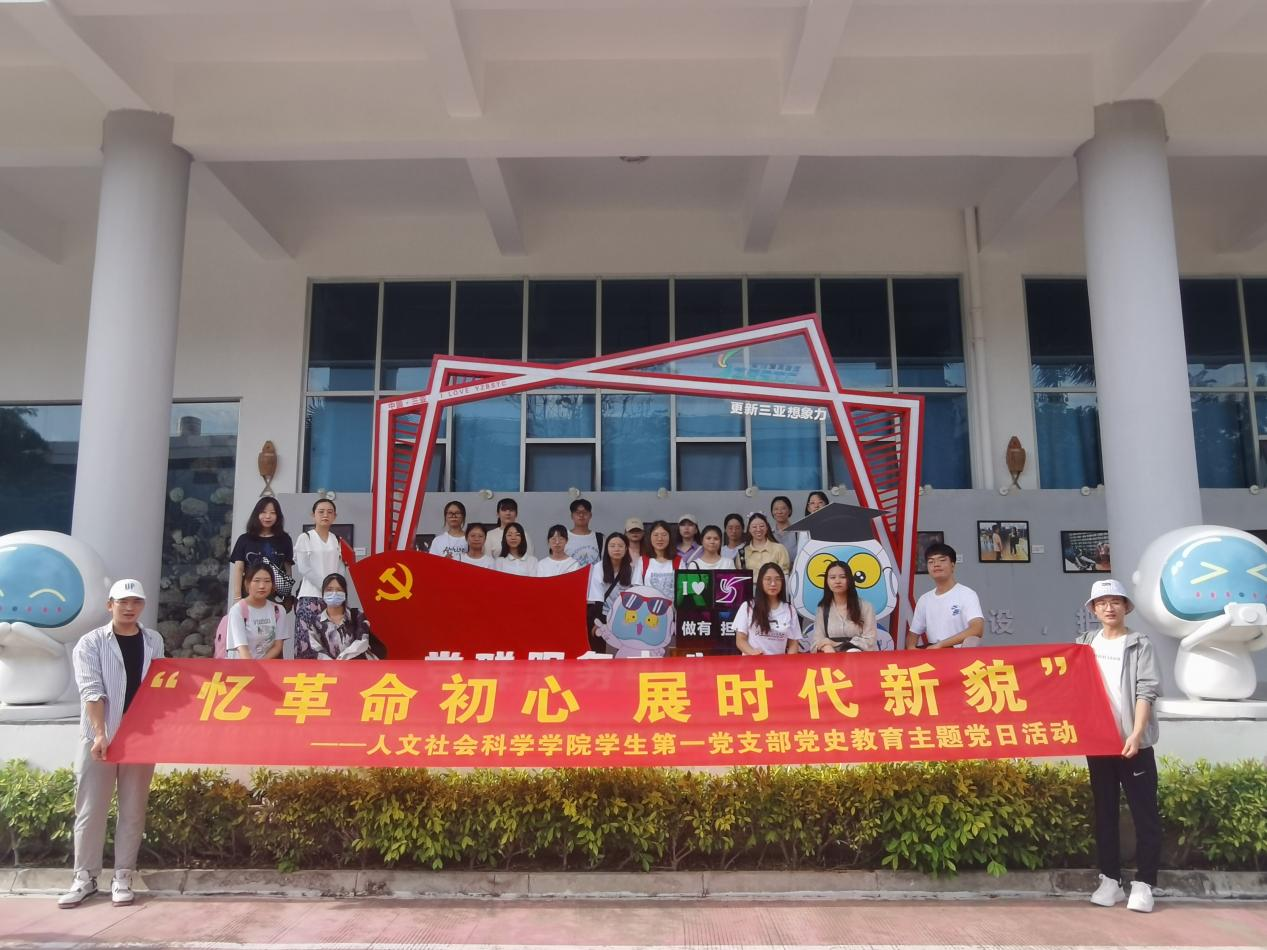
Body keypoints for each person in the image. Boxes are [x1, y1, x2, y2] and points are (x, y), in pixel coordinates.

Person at [59, 579, 165, 909]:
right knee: (91, 809)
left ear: (142, 606)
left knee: (133, 810)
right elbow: (91, 690)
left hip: (141, 738)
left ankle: (123, 875)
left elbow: (160, 686)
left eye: (136, 602)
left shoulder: (153, 640)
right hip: (99, 738)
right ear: (110, 605)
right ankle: (85, 877)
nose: (129, 608)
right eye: (122, 602)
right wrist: (100, 733)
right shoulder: (90, 643)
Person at [1078, 578, 1162, 914]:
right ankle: (1110, 880)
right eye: (1102, 603)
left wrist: (1136, 733)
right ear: (1093, 610)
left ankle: (1144, 883)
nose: (1109, 608)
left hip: (1133, 744)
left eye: (1115, 601)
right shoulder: (1084, 645)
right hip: (1100, 744)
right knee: (1105, 812)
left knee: (1145, 814)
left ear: (1126, 606)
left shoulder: (1140, 644)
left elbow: (1146, 691)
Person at [905, 542, 984, 649]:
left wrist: (941, 645)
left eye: (942, 560)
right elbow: (913, 635)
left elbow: (977, 629)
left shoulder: (967, 594)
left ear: (953, 565)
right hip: (934, 655)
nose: (936, 564)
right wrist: (912, 648)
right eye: (931, 561)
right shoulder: (924, 599)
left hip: (961, 654)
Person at [293, 497, 346, 656]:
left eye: (330, 512)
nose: (325, 515)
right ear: (313, 515)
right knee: (306, 643)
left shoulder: (337, 540)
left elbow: (341, 567)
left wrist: (337, 589)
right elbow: (304, 568)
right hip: (310, 596)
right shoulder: (306, 538)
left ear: (335, 516)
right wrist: (326, 587)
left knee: (331, 642)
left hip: (332, 599)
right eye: (321, 512)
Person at [228, 497, 293, 609]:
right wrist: (237, 597)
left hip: (274, 594)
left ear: (278, 516)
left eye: (272, 513)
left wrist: (287, 595)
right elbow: (239, 569)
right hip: (249, 593)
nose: (268, 516)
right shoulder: (245, 539)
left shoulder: (284, 539)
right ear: (256, 514)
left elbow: (288, 569)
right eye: (263, 512)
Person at [301, 572, 381, 660]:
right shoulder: (315, 622)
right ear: (323, 594)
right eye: (329, 590)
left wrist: (342, 658)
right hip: (329, 667)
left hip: (359, 665)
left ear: (345, 594)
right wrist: (333, 664)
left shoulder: (357, 615)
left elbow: (362, 641)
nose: (334, 593)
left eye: (339, 590)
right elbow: (316, 649)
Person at [586, 532, 643, 651]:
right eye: (612, 546)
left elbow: (637, 596)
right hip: (603, 616)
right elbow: (596, 599)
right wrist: (597, 623)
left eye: (620, 546)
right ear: (607, 549)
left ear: (626, 549)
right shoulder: (598, 568)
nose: (616, 549)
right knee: (601, 652)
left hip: (626, 617)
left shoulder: (633, 569)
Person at [733, 564, 803, 655]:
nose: (773, 583)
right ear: (760, 582)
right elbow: (740, 640)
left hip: (779, 663)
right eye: (768, 579)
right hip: (753, 661)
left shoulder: (789, 610)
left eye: (777, 579)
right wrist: (753, 652)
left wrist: (788, 661)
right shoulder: (748, 607)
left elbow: (793, 643)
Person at [227, 563, 291, 660]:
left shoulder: (278, 610)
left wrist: (260, 665)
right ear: (247, 583)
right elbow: (242, 649)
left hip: (265, 666)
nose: (262, 586)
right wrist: (253, 667)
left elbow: (277, 646)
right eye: (256, 581)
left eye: (267, 581)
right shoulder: (237, 610)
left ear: (273, 584)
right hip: (241, 666)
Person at [811, 560, 878, 652]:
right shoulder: (822, 609)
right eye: (832, 577)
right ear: (827, 581)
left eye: (843, 577)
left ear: (850, 579)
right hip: (831, 657)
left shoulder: (866, 607)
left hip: (858, 657)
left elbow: (870, 641)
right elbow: (816, 641)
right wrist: (826, 647)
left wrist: (837, 644)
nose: (837, 581)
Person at [738, 512, 790, 580]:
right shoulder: (742, 553)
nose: (758, 529)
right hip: (750, 586)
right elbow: (740, 578)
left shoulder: (779, 548)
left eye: (762, 526)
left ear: (767, 527)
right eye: (754, 527)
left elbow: (785, 575)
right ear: (749, 529)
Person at [641, 520, 680, 604]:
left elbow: (682, 590)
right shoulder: (642, 561)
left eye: (664, 535)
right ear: (649, 537)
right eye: (656, 535)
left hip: (672, 610)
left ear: (670, 537)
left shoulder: (679, 561)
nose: (660, 538)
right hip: (648, 610)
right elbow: (637, 589)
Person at [566, 498, 602, 567]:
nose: (581, 515)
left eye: (585, 512)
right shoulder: (563, 537)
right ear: (571, 516)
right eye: (577, 512)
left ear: (590, 515)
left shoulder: (600, 538)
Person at [770, 495, 800, 563]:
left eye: (783, 508)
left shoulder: (798, 533)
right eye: (776, 509)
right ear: (772, 512)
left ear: (789, 511)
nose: (779, 512)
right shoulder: (769, 534)